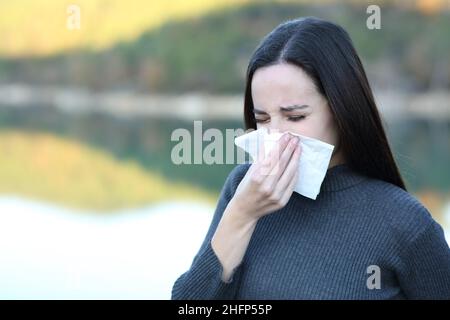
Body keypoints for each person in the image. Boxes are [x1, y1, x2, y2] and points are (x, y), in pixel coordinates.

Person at [171, 17, 450, 299]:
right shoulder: (244, 188)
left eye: (295, 117)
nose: (276, 135)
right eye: (262, 119)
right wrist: (241, 215)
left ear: (342, 109)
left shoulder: (403, 221)